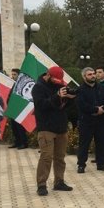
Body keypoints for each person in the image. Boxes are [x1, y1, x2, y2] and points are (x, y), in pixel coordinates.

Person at [32, 66, 76, 196]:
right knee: (46, 157)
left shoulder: (59, 85)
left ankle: (59, 182)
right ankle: (41, 184)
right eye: (55, 80)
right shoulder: (38, 88)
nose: (58, 84)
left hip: (61, 127)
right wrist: (57, 96)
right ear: (48, 75)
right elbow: (41, 106)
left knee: (60, 157)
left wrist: (70, 98)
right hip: (46, 127)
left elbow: (63, 106)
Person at [76, 67, 104, 173]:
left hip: (101, 120)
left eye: (93, 73)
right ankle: (81, 165)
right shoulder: (80, 89)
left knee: (101, 143)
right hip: (86, 121)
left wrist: (103, 109)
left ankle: (101, 164)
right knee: (84, 144)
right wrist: (96, 109)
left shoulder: (102, 88)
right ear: (84, 77)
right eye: (89, 74)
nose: (93, 76)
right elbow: (82, 105)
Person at [8, 69, 29, 149]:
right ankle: (17, 142)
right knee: (14, 127)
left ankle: (24, 143)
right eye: (12, 74)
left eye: (14, 74)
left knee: (20, 127)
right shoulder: (13, 84)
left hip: (20, 109)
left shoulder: (22, 84)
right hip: (13, 108)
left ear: (19, 75)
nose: (12, 76)